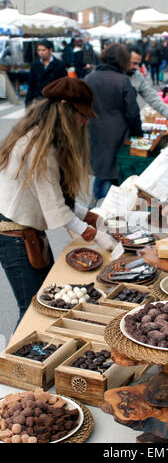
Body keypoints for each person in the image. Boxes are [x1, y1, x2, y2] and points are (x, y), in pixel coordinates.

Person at [0, 77, 114, 328]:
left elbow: (55, 199)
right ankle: (18, 363)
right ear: (64, 107)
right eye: (82, 114)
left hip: (26, 231)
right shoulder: (40, 147)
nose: (85, 121)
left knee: (45, 296)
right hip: (15, 235)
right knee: (32, 307)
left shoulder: (42, 137)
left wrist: (90, 217)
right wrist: (95, 234)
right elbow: (54, 207)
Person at [85, 43, 143, 203]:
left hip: (94, 129)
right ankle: (103, 206)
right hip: (117, 133)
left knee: (102, 169)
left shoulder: (90, 78)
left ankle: (96, 202)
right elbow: (133, 112)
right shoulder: (122, 80)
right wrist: (138, 134)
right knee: (111, 172)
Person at [126, 44, 168, 125]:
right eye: (134, 63)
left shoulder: (137, 76)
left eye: (138, 64)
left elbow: (151, 95)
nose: (136, 67)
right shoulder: (113, 75)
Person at [25, 39, 67, 108]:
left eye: (43, 50)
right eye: (39, 50)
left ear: (50, 50)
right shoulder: (34, 65)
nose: (40, 53)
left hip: (55, 102)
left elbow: (64, 85)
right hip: (39, 101)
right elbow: (31, 85)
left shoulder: (59, 65)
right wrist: (27, 104)